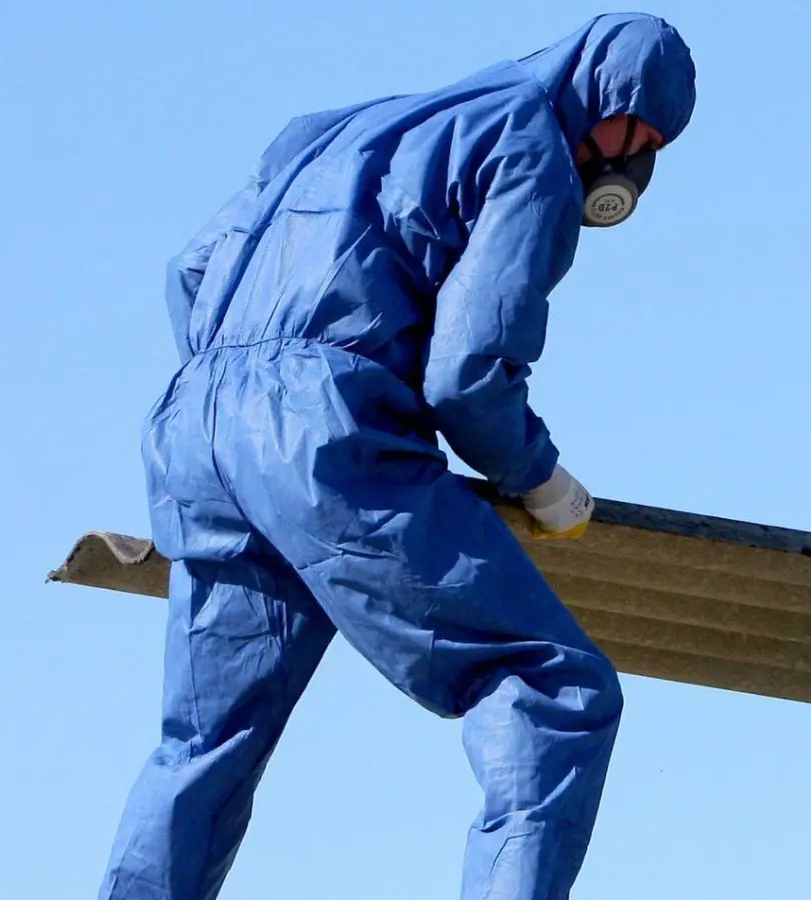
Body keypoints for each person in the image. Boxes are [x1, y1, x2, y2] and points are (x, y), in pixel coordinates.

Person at [97, 13, 696, 900]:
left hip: (195, 433)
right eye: (635, 133)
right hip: (324, 436)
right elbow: (468, 371)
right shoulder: (528, 138)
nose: (632, 161)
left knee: (203, 742)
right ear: (595, 95)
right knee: (555, 691)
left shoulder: (338, 127)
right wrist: (539, 477)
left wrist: (249, 393)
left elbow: (189, 274)